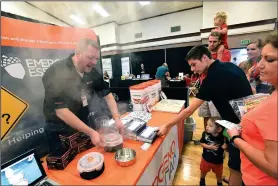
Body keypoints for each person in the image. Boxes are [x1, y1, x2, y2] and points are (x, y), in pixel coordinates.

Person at [157, 45, 253, 186]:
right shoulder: (230, 66)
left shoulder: (212, 78)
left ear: (205, 57)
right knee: (242, 164)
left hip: (239, 128)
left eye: (194, 65)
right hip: (248, 121)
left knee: (236, 166)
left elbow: (189, 110)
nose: (192, 70)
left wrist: (167, 125)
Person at [42, 38, 124, 153]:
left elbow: (108, 95)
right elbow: (61, 111)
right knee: (65, 165)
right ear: (78, 54)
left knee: (88, 155)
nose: (94, 62)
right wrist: (91, 132)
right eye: (90, 57)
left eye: (96, 58)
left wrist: (117, 118)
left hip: (83, 122)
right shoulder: (56, 72)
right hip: (59, 127)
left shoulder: (92, 71)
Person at [227, 32, 278, 185]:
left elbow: (274, 167)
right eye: (262, 57)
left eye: (269, 59)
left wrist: (236, 138)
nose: (260, 64)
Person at [198, 32, 231, 129]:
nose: (211, 44)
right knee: (205, 116)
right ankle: (207, 135)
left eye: (214, 41)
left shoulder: (225, 52)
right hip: (204, 88)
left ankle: (218, 140)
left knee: (216, 119)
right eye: (210, 41)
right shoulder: (205, 53)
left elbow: (220, 70)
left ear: (220, 42)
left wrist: (219, 54)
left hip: (217, 91)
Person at [200, 117, 226, 186]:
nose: (207, 127)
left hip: (218, 162)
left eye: (210, 126)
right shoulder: (205, 134)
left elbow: (226, 147)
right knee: (203, 171)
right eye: (207, 125)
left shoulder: (223, 137)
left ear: (219, 129)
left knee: (219, 174)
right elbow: (201, 143)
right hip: (206, 159)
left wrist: (226, 147)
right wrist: (209, 147)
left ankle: (219, 183)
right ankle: (202, 181)